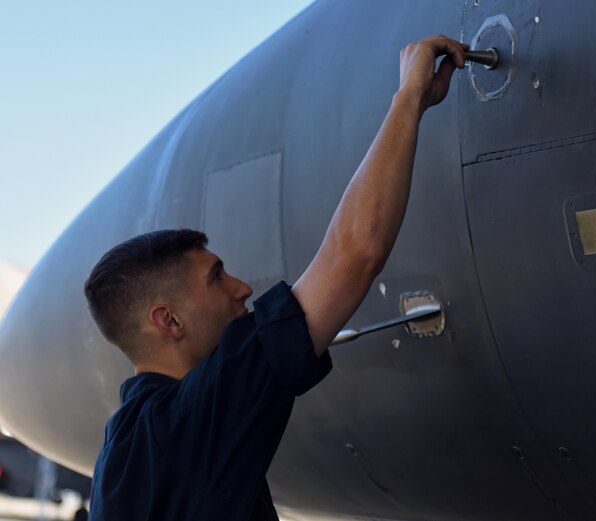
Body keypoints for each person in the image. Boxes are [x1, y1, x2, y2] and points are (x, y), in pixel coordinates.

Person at [82, 35, 467, 520]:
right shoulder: (181, 430)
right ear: (169, 320)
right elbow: (355, 254)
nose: (242, 288)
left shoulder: (125, 449)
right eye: (217, 277)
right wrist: (409, 98)